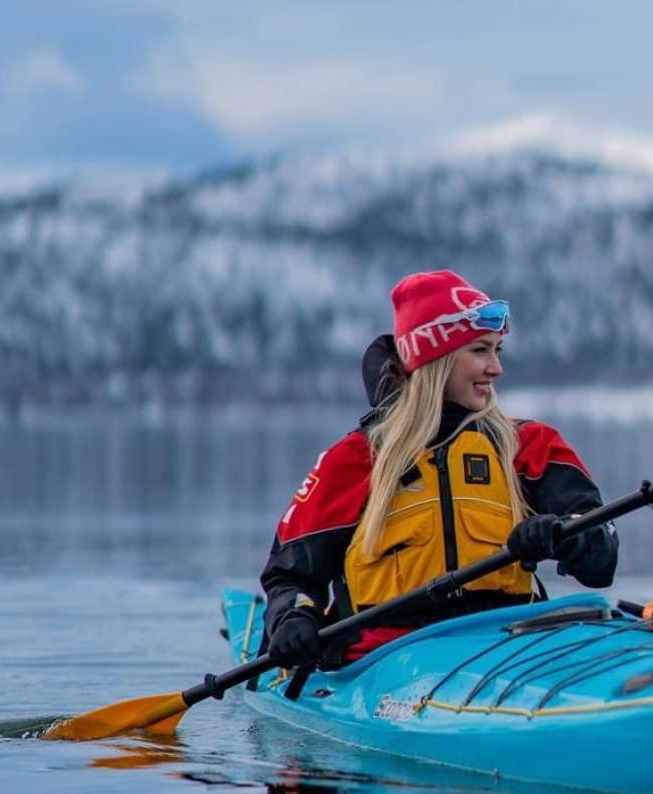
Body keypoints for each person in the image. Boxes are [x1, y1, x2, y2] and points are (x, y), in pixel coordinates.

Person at [259, 269, 618, 668]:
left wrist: (564, 535)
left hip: (508, 649)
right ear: (437, 359)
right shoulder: (355, 460)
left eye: (497, 351)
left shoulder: (529, 446)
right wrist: (293, 617)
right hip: (385, 664)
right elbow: (290, 579)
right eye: (480, 351)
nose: (496, 368)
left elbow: (602, 560)